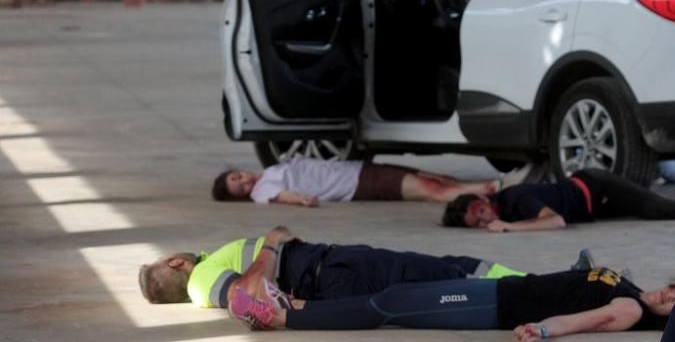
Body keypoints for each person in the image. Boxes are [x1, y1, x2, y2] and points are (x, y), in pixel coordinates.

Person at [227, 262, 675, 339]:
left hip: (491, 307)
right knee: (393, 296)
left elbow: (583, 318)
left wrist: (542, 330)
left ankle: (280, 319)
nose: (671, 293)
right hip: (496, 291)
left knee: (390, 304)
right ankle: (295, 307)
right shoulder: (632, 288)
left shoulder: (632, 309)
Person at [137, 226, 526, 310]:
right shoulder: (201, 281)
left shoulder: (205, 274)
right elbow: (245, 296)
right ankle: (541, 290)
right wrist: (272, 244)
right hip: (332, 274)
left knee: (441, 269)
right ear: (176, 262)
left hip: (333, 268)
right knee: (440, 276)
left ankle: (535, 284)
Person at [441, 168, 675, 232]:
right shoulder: (506, 206)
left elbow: (554, 220)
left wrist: (509, 227)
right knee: (651, 211)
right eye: (477, 221)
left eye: (479, 210)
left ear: (483, 198)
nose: (484, 219)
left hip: (597, 188)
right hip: (594, 206)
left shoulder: (516, 200)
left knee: (666, 211)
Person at [212, 157, 528, 207]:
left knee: (434, 178)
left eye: (236, 176)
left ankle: (489, 185)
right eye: (238, 186)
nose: (243, 181)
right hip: (359, 183)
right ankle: (493, 190)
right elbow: (287, 197)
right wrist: (303, 200)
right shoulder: (263, 190)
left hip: (357, 169)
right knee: (429, 189)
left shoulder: (267, 173)